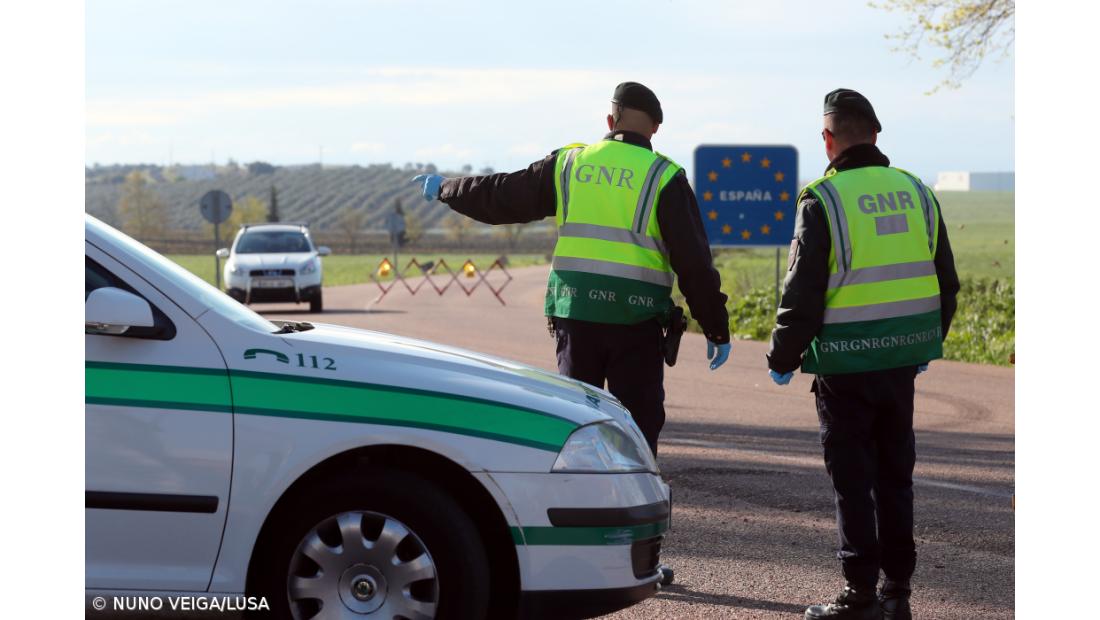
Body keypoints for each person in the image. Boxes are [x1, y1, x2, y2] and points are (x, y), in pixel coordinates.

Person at [411, 81, 731, 457]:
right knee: (638, 428)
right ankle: (635, 502)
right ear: (656, 128)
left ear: (610, 119)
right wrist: (715, 327)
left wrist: (447, 188)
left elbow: (501, 196)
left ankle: (581, 502)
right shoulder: (665, 177)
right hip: (637, 321)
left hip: (575, 315)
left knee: (576, 423)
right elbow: (694, 262)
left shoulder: (569, 164)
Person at [767, 88, 960, 620]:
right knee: (896, 475)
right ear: (876, 134)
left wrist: (782, 355)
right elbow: (948, 283)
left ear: (828, 140)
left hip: (845, 366)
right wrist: (925, 342)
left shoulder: (823, 200)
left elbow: (801, 294)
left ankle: (859, 595)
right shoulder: (918, 192)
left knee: (854, 482)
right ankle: (898, 591)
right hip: (900, 363)